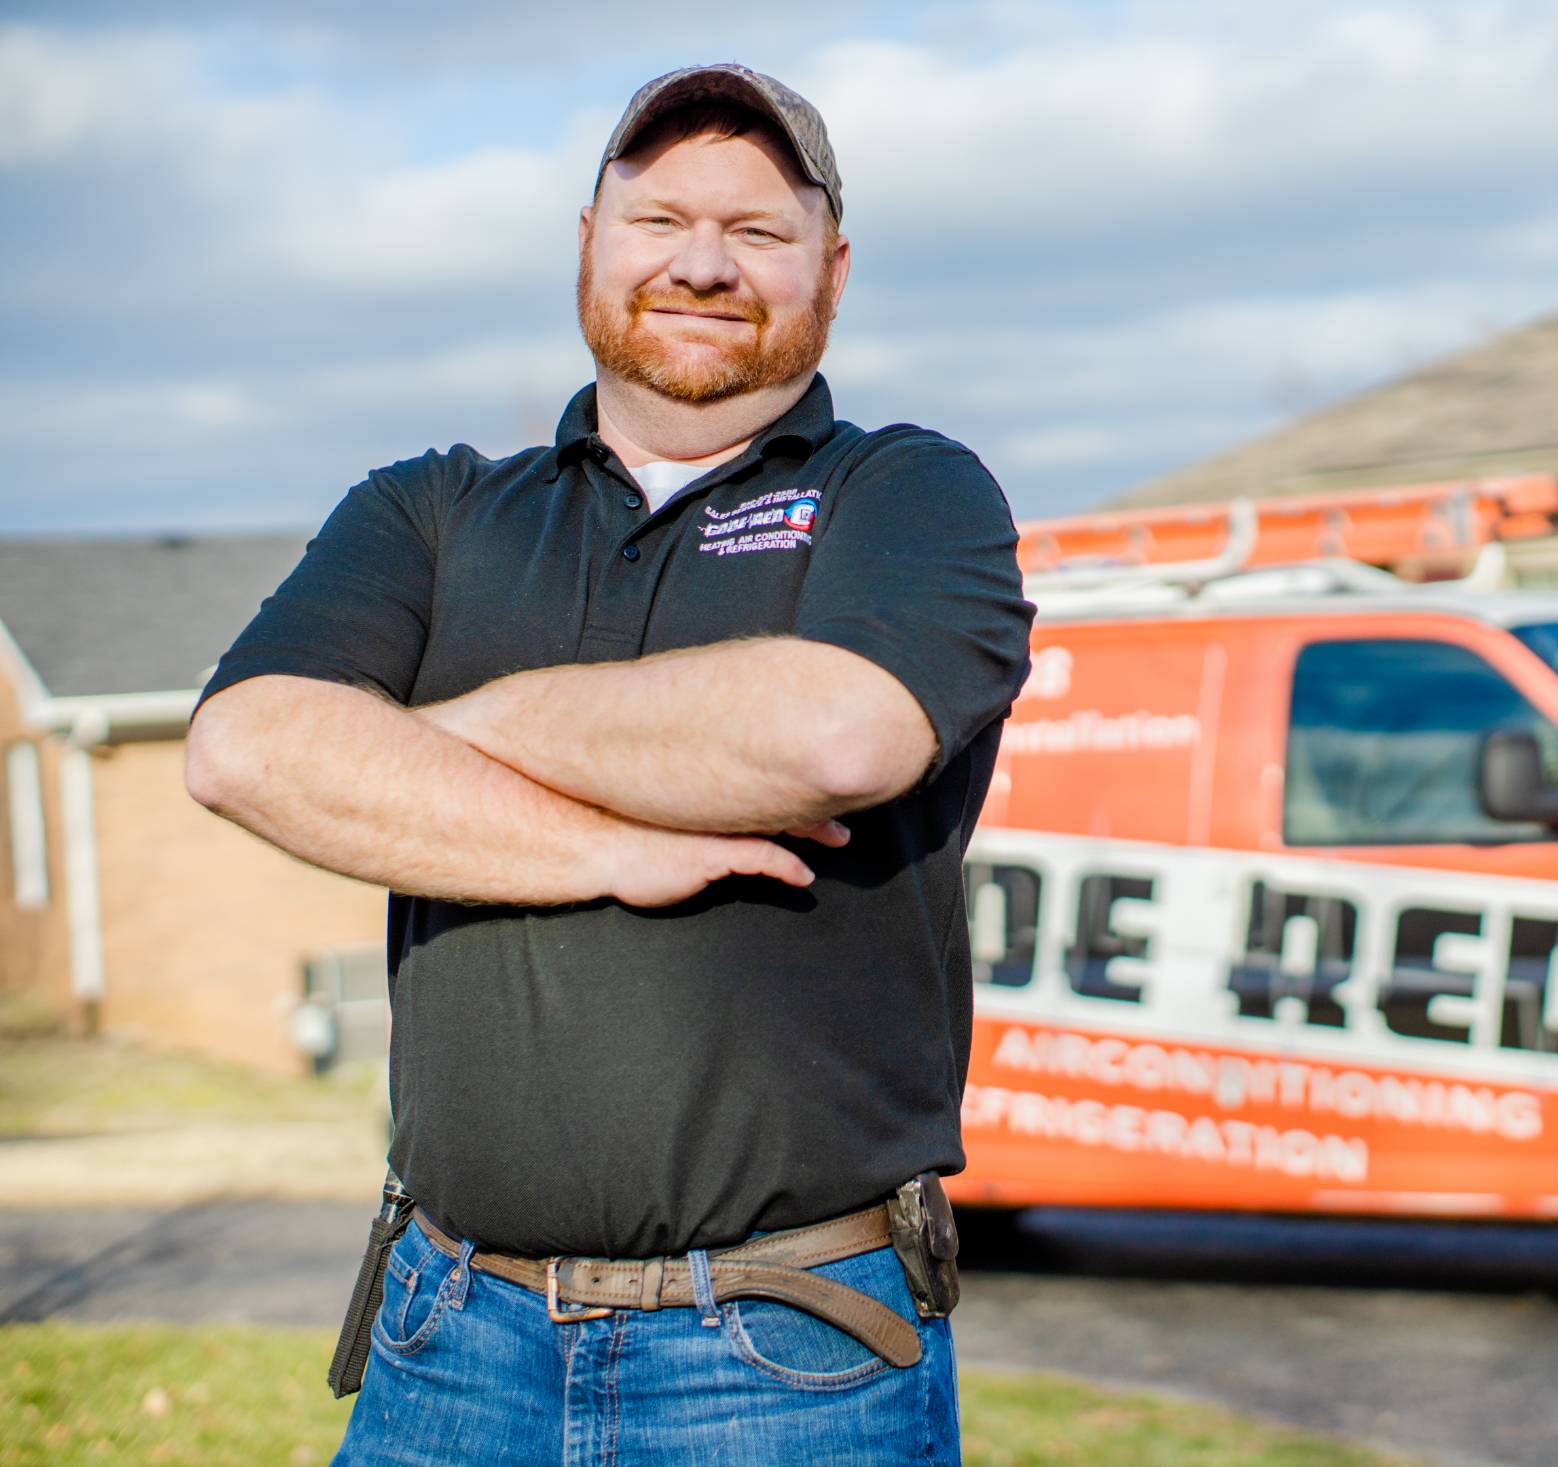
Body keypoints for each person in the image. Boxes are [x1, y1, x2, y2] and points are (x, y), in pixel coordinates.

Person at [185, 62, 1032, 1465]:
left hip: (788, 1352)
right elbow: (242, 748)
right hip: (446, 1337)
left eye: (759, 232)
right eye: (659, 220)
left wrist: (440, 727)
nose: (703, 264)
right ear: (589, 241)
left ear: (832, 267)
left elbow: (840, 731)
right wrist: (611, 849)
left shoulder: (909, 493)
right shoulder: (433, 510)